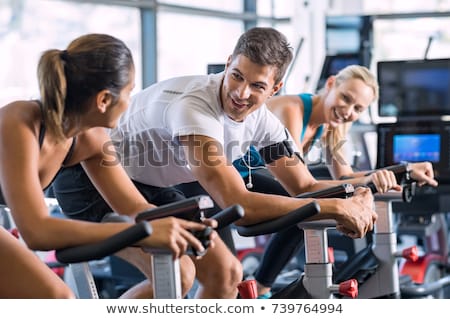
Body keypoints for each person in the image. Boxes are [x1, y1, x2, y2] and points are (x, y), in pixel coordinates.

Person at [52, 27, 380, 298]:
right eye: (236, 76)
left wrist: (354, 193)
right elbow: (238, 202)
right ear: (227, 64)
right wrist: (337, 207)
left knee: (227, 274)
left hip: (146, 184)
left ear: (275, 88)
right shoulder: (193, 107)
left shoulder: (264, 122)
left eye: (257, 86)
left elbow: (304, 185)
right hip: (89, 179)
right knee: (177, 274)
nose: (241, 92)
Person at [0, 33, 216, 298]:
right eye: (129, 92)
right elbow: (36, 231)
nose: (130, 102)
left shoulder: (90, 139)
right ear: (103, 100)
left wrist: (184, 225)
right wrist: (139, 233)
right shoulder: (19, 121)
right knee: (56, 298)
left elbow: (135, 208)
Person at [237, 64, 438, 298]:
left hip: (263, 180)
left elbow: (344, 177)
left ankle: (267, 286)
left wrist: (404, 171)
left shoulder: (329, 127)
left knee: (315, 199)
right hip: (237, 180)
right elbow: (302, 186)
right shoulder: (292, 109)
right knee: (305, 206)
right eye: (345, 98)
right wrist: (366, 186)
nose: (348, 111)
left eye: (357, 108)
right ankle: (262, 287)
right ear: (331, 83)